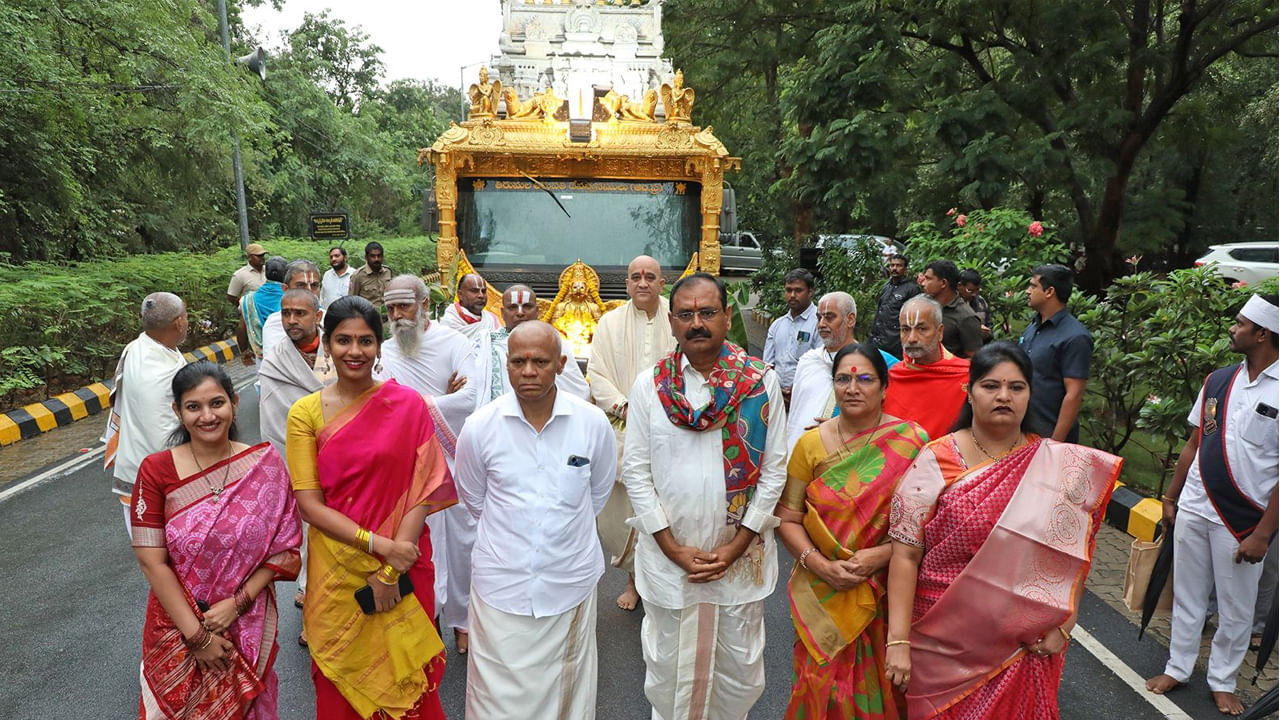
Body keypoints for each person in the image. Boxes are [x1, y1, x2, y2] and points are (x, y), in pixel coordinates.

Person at [885, 342, 1122, 719]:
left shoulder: (1055, 466)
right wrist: (897, 641)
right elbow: (905, 554)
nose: (1003, 396)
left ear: (1030, 394)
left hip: (1021, 647)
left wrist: (1066, 623)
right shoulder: (937, 460)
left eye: (1016, 387)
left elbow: (1074, 554)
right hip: (942, 639)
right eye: (990, 386)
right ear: (969, 391)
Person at [622, 272, 787, 720]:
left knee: (739, 671)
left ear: (727, 317)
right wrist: (670, 547)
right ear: (671, 322)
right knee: (666, 669)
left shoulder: (759, 382)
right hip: (668, 561)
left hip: (739, 560)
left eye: (708, 313)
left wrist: (736, 547)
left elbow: (774, 472)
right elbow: (635, 473)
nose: (697, 323)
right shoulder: (650, 387)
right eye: (686, 314)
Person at [285, 296, 456, 720]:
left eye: (365, 340)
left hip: (406, 558)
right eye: (343, 340)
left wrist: (392, 568)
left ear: (380, 347)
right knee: (342, 683)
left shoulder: (409, 404)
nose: (354, 351)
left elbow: (425, 487)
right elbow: (309, 504)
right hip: (339, 572)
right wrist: (379, 546)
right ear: (327, 345)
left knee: (408, 679)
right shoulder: (304, 414)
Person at [455, 321, 616, 719]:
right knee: (496, 702)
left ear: (561, 364)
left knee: (566, 697)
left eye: (540, 361)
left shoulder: (592, 423)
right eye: (518, 361)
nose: (529, 371)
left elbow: (597, 494)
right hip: (501, 588)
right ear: (506, 365)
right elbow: (474, 500)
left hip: (568, 585)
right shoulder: (479, 428)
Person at [130, 361, 302, 719]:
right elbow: (152, 561)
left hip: (246, 622)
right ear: (177, 411)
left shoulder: (265, 465)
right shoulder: (156, 470)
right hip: (178, 626)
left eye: (217, 403)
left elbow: (284, 550)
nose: (207, 416)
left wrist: (237, 603)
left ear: (235, 403)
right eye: (194, 407)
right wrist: (198, 638)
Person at [776, 343, 929, 719]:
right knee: (820, 688)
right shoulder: (810, 446)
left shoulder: (913, 444)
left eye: (864, 379)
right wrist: (820, 565)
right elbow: (787, 518)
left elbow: (929, 529)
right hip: (822, 594)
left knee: (879, 690)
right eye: (843, 379)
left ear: (884, 386)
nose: (853, 388)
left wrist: (881, 555)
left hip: (884, 594)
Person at [1145, 294, 1278, 716]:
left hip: (1242, 519)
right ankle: (1178, 666)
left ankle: (1222, 680)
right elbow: (1193, 443)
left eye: (1240, 323)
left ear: (1262, 334)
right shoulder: (1218, 380)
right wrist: (1171, 497)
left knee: (1237, 608)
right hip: (1196, 505)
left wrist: (1263, 533)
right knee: (1188, 595)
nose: (1232, 328)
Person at [378, 274, 478, 656]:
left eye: (404, 306)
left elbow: (470, 396)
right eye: (390, 309)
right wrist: (437, 398)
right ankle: (426, 619)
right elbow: (379, 398)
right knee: (418, 545)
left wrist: (414, 403)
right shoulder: (384, 350)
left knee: (462, 544)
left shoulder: (453, 343)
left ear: (423, 304)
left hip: (451, 461)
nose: (398, 315)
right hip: (405, 465)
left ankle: (463, 621)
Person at [587, 254, 675, 612]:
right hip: (623, 427)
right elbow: (597, 372)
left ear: (661, 283)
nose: (642, 282)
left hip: (672, 427)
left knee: (668, 505)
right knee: (620, 511)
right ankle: (633, 577)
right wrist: (626, 407)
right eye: (635, 276)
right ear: (626, 283)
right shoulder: (608, 323)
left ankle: (659, 579)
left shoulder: (678, 318)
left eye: (650, 276)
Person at [259, 288, 333, 633]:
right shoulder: (275, 360)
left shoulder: (338, 349)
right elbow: (273, 422)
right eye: (286, 313)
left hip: (341, 465)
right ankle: (312, 616)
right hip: (298, 468)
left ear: (317, 316)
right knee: (307, 539)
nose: (291, 320)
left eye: (300, 314)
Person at [104, 292, 188, 534]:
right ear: (178, 322)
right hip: (162, 482)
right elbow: (162, 433)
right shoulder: (162, 372)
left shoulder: (136, 348)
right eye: (186, 315)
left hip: (133, 469)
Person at [787, 292, 899, 460]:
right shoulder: (808, 361)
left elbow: (889, 417)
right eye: (819, 318)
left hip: (848, 459)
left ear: (850, 319)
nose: (822, 324)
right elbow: (795, 415)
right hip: (799, 454)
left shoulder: (879, 363)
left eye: (830, 317)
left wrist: (841, 428)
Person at [471, 284, 590, 405]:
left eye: (527, 306)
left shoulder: (553, 340)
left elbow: (579, 392)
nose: (520, 313)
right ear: (502, 312)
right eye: (513, 307)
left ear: (537, 311)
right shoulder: (486, 343)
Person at [1019, 264, 1092, 443]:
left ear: (1049, 291)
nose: (1028, 291)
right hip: (1021, 431)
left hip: (1048, 435)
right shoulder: (1033, 327)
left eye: (1033, 286)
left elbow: (1074, 394)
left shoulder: (1075, 337)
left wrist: (1055, 443)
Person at [883, 295, 970, 441]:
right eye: (905, 329)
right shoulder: (890, 378)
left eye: (921, 329)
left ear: (940, 332)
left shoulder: (967, 377)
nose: (912, 338)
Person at [764, 268, 823, 406]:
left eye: (798, 290)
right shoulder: (777, 325)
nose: (792, 295)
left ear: (810, 292)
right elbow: (767, 364)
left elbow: (820, 364)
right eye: (788, 290)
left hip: (807, 398)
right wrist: (775, 391)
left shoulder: (820, 323)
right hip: (776, 398)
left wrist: (797, 390)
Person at [919, 260, 982, 359]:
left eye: (928, 279)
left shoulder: (966, 317)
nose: (923, 283)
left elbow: (974, 358)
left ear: (943, 283)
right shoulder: (923, 306)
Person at [261, 259, 324, 355]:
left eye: (314, 285)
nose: (309, 291)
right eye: (301, 286)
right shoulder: (275, 324)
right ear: (285, 289)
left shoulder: (329, 318)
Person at [871, 254, 921, 358]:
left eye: (898, 266)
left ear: (905, 269)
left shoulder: (911, 289)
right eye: (892, 265)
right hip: (879, 341)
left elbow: (914, 318)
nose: (894, 268)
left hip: (896, 345)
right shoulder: (887, 287)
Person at [240, 256, 287, 359]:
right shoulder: (294, 298)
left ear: (265, 273)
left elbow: (241, 329)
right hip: (290, 354)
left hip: (263, 357)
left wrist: (244, 352)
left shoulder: (249, 299)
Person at [228, 243, 267, 366]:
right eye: (258, 256)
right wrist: (244, 307)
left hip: (268, 308)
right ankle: (245, 353)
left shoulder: (269, 270)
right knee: (242, 327)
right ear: (250, 257)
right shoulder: (240, 275)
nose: (262, 258)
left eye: (263, 255)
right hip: (251, 310)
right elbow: (231, 295)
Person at [441, 273, 501, 339]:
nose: (481, 295)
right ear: (460, 294)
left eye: (483, 291)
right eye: (474, 291)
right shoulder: (449, 321)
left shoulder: (491, 319)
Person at [346, 242, 393, 308]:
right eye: (373, 256)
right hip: (367, 315)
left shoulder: (388, 272)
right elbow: (352, 301)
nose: (376, 259)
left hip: (387, 315)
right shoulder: (358, 275)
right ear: (366, 257)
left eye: (379, 256)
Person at [957, 269, 993, 342]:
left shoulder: (981, 302)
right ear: (959, 286)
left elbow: (990, 327)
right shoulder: (951, 303)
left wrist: (987, 333)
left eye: (977, 290)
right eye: (970, 290)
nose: (974, 294)